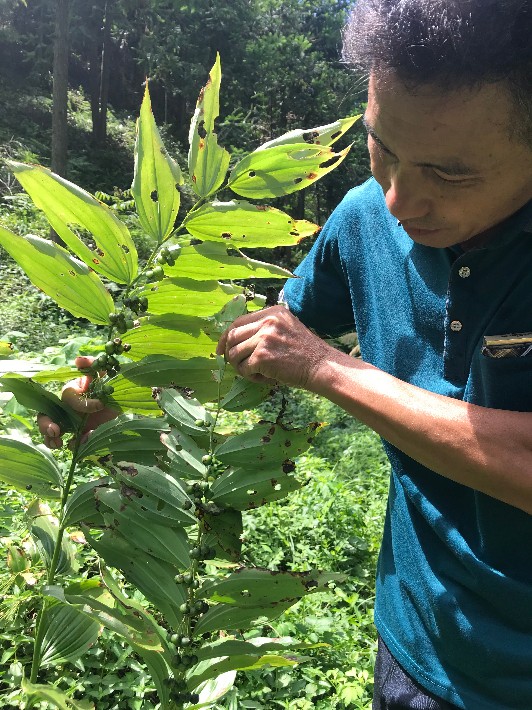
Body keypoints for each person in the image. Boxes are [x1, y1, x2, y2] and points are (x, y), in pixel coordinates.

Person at [39, 1, 532, 707]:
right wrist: (123, 407)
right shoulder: (363, 219)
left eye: (448, 175)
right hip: (418, 648)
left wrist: (329, 370)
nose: (398, 199)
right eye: (381, 147)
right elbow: (254, 351)